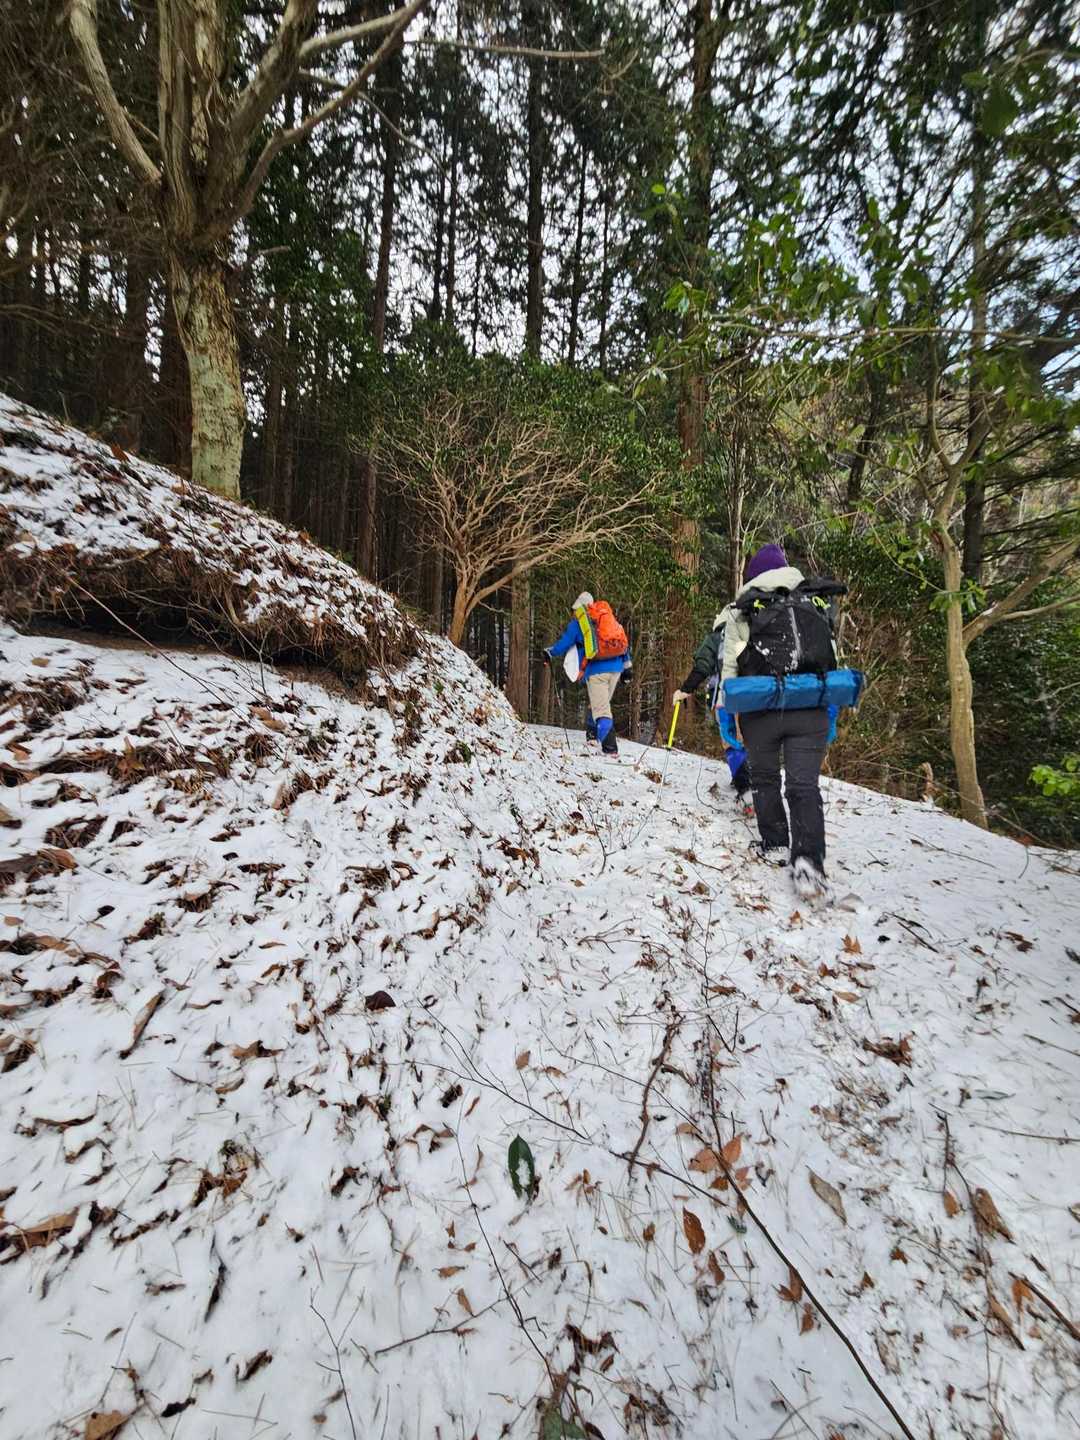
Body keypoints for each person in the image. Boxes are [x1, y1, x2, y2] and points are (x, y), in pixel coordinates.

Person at [717, 543, 838, 901]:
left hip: (761, 710)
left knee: (765, 778)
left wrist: (728, 715)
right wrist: (830, 711)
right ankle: (809, 862)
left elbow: (729, 670)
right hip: (810, 706)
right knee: (804, 786)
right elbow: (831, 659)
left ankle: (774, 843)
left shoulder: (742, 610)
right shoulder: (813, 602)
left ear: (753, 575)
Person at [672, 617, 753, 814]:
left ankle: (746, 792)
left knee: (731, 743)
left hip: (726, 697)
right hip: (756, 695)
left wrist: (685, 689)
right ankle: (748, 781)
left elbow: (702, 666)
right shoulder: (754, 631)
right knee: (752, 741)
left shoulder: (717, 638)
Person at [543, 591, 629, 757]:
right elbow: (622, 642)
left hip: (597, 671)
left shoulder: (579, 623)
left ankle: (610, 749)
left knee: (601, 710)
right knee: (599, 703)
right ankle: (592, 735)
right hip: (616, 669)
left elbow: (564, 643)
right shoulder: (607, 618)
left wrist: (550, 652)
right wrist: (627, 667)